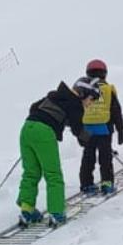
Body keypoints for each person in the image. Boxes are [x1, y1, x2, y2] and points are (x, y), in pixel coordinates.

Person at [19, 77, 95, 226]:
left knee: (31, 172)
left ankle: (27, 210)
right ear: (83, 93)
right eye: (91, 99)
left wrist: (54, 119)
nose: (90, 103)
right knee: (53, 174)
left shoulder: (56, 94)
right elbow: (79, 131)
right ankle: (56, 213)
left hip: (27, 128)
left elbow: (34, 107)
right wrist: (92, 141)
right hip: (44, 133)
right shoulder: (75, 104)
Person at [79, 58, 123, 197]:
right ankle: (107, 183)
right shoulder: (108, 89)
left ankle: (86, 184)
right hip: (104, 129)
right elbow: (116, 111)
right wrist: (120, 129)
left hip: (87, 129)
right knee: (105, 157)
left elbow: (77, 111)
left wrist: (78, 132)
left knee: (88, 157)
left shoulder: (83, 90)